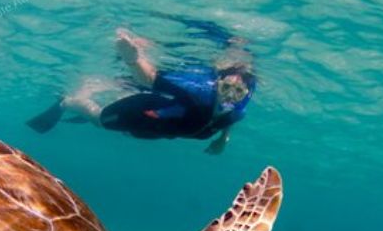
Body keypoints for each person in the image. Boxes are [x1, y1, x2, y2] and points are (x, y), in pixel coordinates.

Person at [28, 27, 254, 155]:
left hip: (159, 127)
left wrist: (223, 139)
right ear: (216, 83)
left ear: (245, 94)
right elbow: (149, 77)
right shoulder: (197, 91)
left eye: (238, 93)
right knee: (99, 119)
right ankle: (70, 101)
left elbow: (230, 117)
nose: (229, 97)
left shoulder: (238, 108)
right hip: (138, 111)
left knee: (135, 134)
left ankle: (116, 95)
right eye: (226, 88)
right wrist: (132, 58)